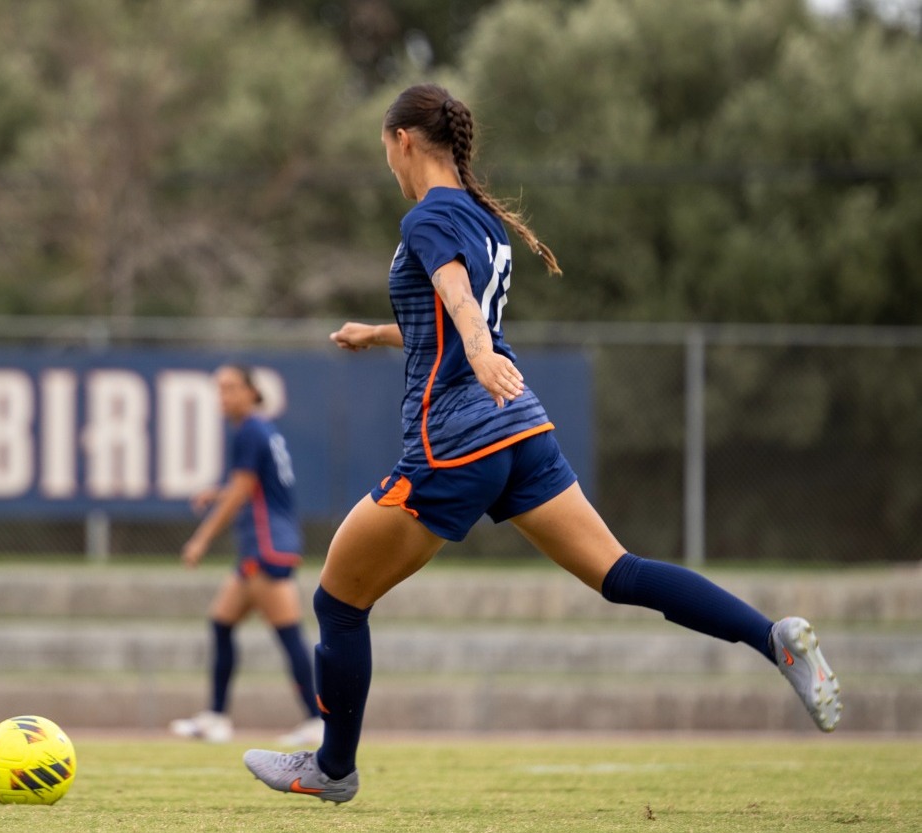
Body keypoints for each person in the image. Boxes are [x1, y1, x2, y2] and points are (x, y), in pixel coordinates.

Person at [243, 84, 842, 804]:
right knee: (618, 571)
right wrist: (379, 334)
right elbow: (449, 316)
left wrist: (473, 346)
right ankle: (770, 636)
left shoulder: (429, 213)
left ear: (403, 140)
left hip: (455, 439)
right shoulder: (482, 218)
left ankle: (333, 768)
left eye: (385, 150)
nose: (388, 165)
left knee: (338, 600)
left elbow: (460, 302)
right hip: (520, 425)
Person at [168, 364, 324, 747]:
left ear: (252, 393)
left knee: (288, 635)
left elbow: (243, 491)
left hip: (267, 544)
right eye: (219, 389)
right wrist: (218, 493)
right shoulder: (258, 430)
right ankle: (216, 717)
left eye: (232, 388)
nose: (224, 396)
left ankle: (318, 720)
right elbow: (252, 488)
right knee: (222, 624)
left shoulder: (251, 431)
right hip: (268, 542)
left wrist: (201, 539)